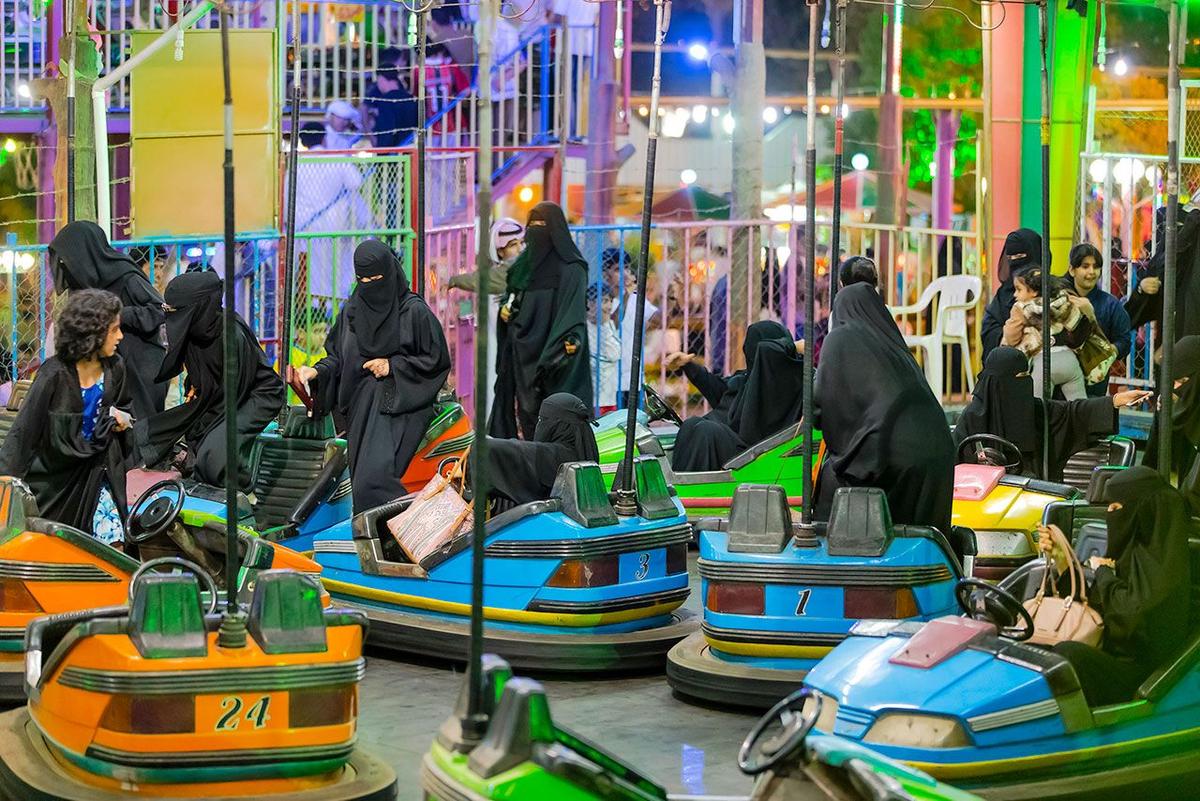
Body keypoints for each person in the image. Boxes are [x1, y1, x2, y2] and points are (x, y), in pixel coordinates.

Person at [296, 241, 451, 512]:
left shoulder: (413, 311)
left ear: (389, 273)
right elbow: (339, 359)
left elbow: (435, 360)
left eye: (375, 278)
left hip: (402, 407)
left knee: (373, 482)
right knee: (363, 484)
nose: (369, 285)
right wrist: (317, 371)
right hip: (363, 410)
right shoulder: (352, 312)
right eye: (362, 279)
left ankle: (406, 535)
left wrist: (393, 366)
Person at [814, 283, 954, 535]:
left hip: (893, 456)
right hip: (937, 452)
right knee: (921, 538)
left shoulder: (840, 338)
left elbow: (821, 403)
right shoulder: (893, 345)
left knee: (832, 483)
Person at [0, 290, 133, 544]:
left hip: (97, 472)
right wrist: (6, 482)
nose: (120, 336)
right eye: (114, 329)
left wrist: (120, 422)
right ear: (93, 331)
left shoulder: (116, 368)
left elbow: (125, 408)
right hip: (54, 483)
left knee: (112, 542)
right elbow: (24, 433)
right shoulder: (54, 374)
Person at [1050, 466, 1190, 707]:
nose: (1110, 514)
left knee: (1068, 657)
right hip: (1111, 653)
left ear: (1142, 512)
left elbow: (1132, 616)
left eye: (1116, 508)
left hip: (1143, 674)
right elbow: (1100, 606)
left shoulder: (1166, 566)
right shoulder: (1131, 552)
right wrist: (1063, 564)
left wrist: (1103, 573)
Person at [143, 271, 285, 491]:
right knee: (153, 435)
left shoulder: (231, 335)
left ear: (198, 309)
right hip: (219, 396)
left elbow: (234, 393)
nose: (170, 317)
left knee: (214, 455)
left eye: (175, 311)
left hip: (255, 396)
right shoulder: (198, 329)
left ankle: (244, 499)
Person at [953, 346, 1151, 482]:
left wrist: (1116, 401)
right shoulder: (972, 419)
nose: (1024, 385)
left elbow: (1074, 413)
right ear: (997, 383)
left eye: (1026, 377)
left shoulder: (1037, 411)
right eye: (1017, 378)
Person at [48, 221, 168, 428]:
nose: (63, 265)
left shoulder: (125, 275)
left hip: (140, 368)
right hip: (108, 368)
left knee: (141, 433)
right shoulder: (81, 285)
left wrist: (114, 314)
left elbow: (158, 310)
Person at [490, 202, 592, 440]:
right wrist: (506, 313)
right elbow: (513, 300)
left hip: (555, 358)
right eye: (531, 226)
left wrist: (566, 343)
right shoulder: (523, 268)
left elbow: (572, 313)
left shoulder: (572, 269)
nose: (536, 231)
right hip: (524, 357)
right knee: (528, 415)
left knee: (559, 419)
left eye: (542, 226)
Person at [669, 320, 804, 472]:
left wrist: (793, 346)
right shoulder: (747, 379)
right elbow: (719, 389)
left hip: (754, 455)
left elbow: (768, 350)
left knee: (705, 432)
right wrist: (689, 366)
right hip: (733, 444)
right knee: (691, 425)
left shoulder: (785, 384)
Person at [293, 122, 376, 303]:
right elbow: (356, 182)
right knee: (337, 266)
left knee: (313, 269)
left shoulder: (297, 164)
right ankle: (336, 304)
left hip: (306, 225)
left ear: (303, 141)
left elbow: (287, 199)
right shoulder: (336, 159)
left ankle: (315, 306)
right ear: (324, 137)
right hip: (335, 222)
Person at [450, 218, 525, 415]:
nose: (520, 249)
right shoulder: (505, 273)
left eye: (521, 243)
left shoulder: (511, 273)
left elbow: (481, 280)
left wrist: (453, 280)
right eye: (513, 245)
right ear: (499, 250)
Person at [481, 393, 598, 506]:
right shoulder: (585, 451)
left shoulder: (557, 456)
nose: (540, 424)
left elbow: (513, 451)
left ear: (558, 425)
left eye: (543, 420)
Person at [1009, 268, 1088, 401]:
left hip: (1043, 363)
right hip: (1069, 359)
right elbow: (1075, 325)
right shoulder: (1063, 301)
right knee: (1080, 407)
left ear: (1033, 292)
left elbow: (1012, 338)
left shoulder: (1021, 308)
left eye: (1019, 289)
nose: (1015, 294)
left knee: (1039, 408)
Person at [1068, 243, 1131, 397]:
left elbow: (1124, 341)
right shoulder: (1061, 300)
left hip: (1093, 386)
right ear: (1072, 270)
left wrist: (1105, 355)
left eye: (1096, 267)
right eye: (1085, 266)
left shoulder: (1111, 305)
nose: (1091, 272)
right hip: (1062, 381)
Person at [1143, 335, 1200, 481]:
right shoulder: (1184, 408)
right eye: (1173, 381)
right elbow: (1154, 460)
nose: (1175, 388)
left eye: (1182, 381)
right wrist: (1163, 416)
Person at [610, 249, 661, 410]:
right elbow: (613, 325)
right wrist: (627, 295)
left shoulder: (636, 299)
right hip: (610, 381)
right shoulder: (602, 299)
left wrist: (669, 296)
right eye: (618, 270)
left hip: (633, 378)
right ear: (605, 274)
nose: (625, 274)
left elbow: (660, 320)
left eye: (626, 268)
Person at [982, 228, 1043, 360]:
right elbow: (988, 330)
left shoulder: (1052, 290)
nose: (1015, 262)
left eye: (1020, 257)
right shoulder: (1003, 294)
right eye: (1010, 258)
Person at [363, 65, 419, 149]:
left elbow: (386, 130)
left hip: (391, 153)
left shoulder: (384, 101)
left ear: (381, 79)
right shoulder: (411, 99)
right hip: (409, 148)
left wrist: (380, 148)